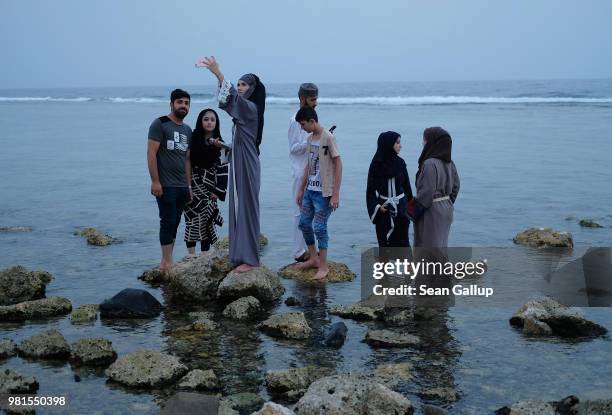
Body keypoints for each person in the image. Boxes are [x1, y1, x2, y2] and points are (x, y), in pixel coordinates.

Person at [196, 56, 264, 272]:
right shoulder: (243, 115)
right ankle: (240, 255)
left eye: (244, 84)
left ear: (253, 88)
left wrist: (218, 72)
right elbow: (229, 102)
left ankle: (252, 260)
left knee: (248, 208)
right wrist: (223, 145)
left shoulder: (251, 109)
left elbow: (230, 99)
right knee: (239, 206)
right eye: (239, 84)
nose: (240, 87)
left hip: (248, 166)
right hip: (240, 162)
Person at [294, 106, 343, 280]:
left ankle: (323, 265)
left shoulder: (328, 137)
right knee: (304, 224)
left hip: (324, 193)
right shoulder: (309, 139)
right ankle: (313, 258)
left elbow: (338, 163)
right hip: (310, 191)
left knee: (319, 227)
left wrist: (335, 194)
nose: (302, 128)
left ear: (312, 121)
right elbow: (309, 164)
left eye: (303, 124)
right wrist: (301, 189)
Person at [147, 89, 193, 272]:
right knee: (167, 220)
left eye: (186, 103)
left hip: (182, 185)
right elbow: (151, 153)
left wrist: (189, 185)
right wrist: (155, 181)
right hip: (165, 184)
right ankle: (166, 262)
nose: (183, 106)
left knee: (175, 222)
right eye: (180, 102)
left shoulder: (187, 130)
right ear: (172, 104)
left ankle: (168, 260)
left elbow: (187, 159)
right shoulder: (160, 124)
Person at [184, 108, 229, 254]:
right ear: (200, 121)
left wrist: (218, 191)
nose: (209, 122)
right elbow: (188, 161)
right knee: (191, 219)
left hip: (211, 187)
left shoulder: (221, 144)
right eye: (206, 119)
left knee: (207, 221)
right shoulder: (193, 138)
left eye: (212, 119)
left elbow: (223, 169)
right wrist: (188, 186)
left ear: (216, 123)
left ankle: (204, 256)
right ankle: (191, 257)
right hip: (194, 183)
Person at [407, 127, 460, 247]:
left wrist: (412, 211)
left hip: (432, 211)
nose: (423, 143)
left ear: (432, 142)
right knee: (441, 246)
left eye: (424, 140)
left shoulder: (430, 163)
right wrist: (446, 202)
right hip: (447, 208)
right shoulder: (450, 163)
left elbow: (427, 193)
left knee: (428, 249)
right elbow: (456, 186)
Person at [288, 83, 319, 262]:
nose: (316, 103)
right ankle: (299, 252)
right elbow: (293, 148)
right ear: (302, 99)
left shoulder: (312, 117)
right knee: (299, 212)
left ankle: (309, 249)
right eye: (313, 99)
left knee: (311, 212)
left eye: (316, 99)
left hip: (312, 170)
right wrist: (310, 138)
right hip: (300, 171)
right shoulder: (295, 120)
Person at [367, 131, 413, 247]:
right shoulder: (375, 165)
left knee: (404, 246)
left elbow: (407, 188)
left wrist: (412, 209)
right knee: (383, 245)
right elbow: (370, 191)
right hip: (384, 210)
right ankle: (384, 265)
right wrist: (377, 207)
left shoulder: (400, 163)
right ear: (388, 144)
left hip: (401, 209)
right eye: (397, 143)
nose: (400, 146)